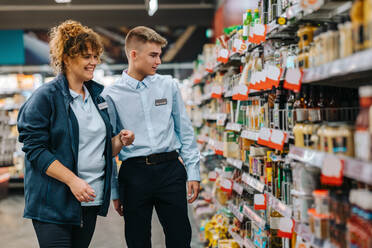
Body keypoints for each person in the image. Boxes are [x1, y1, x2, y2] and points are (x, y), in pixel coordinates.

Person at [17, 20, 134, 248]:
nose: (94, 62)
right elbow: (35, 149)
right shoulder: (46, 97)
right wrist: (73, 181)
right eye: (87, 56)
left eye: (95, 56)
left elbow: (100, 150)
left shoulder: (97, 98)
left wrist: (119, 140)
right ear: (68, 58)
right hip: (53, 203)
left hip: (88, 199)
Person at [102, 26, 200, 248]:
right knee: (137, 240)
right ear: (133, 55)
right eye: (153, 55)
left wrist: (193, 172)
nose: (159, 61)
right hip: (134, 174)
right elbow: (109, 147)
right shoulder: (111, 95)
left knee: (180, 238)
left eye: (159, 55)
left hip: (170, 171)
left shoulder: (168, 85)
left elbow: (184, 130)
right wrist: (115, 190)